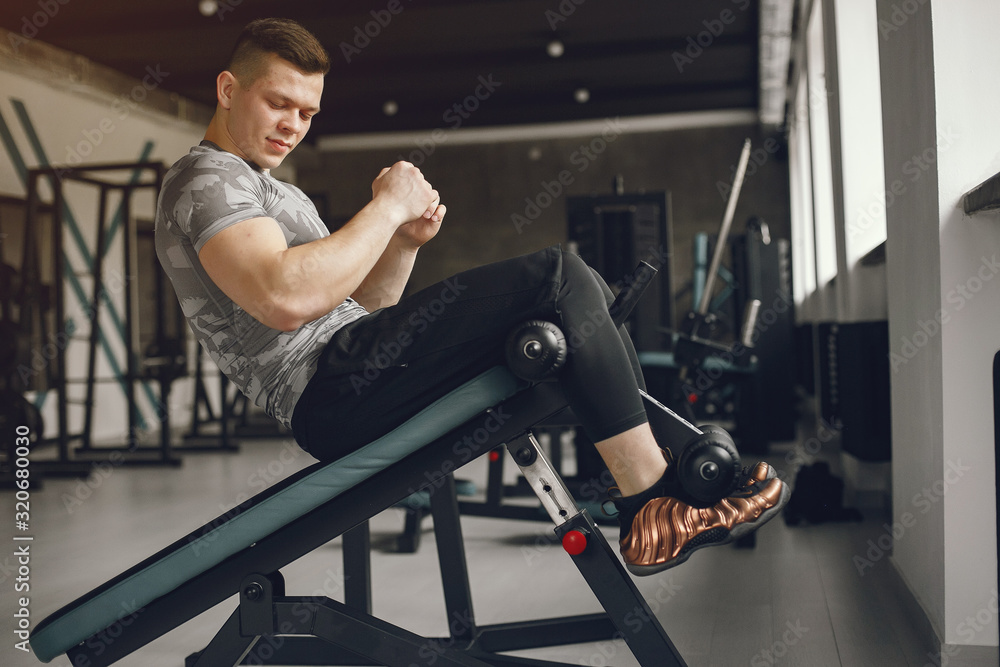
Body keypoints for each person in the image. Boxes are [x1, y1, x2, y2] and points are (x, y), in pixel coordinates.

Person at [155, 17, 788, 575]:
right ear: (228, 89)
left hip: (351, 365)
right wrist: (386, 204)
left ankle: (670, 476)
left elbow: (363, 311)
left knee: (578, 293)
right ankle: (649, 503)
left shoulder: (277, 190)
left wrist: (403, 241)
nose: (293, 125)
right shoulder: (205, 179)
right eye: (279, 103)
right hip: (327, 391)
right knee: (558, 277)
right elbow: (281, 299)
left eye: (309, 113)